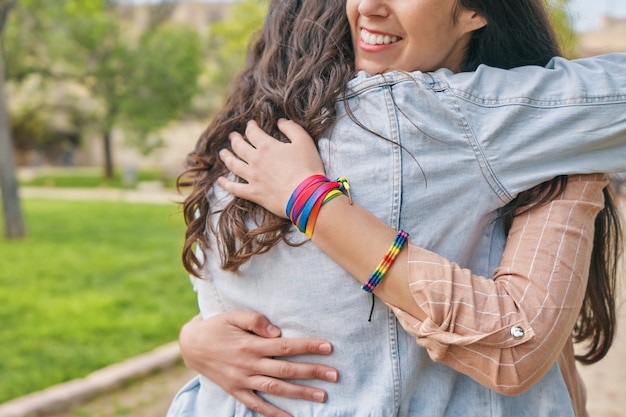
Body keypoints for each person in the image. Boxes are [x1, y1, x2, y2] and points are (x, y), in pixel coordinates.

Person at [168, 0, 626, 416]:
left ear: (476, 11)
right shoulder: (424, 119)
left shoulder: (246, 137)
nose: (368, 5)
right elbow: (513, 348)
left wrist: (311, 201)